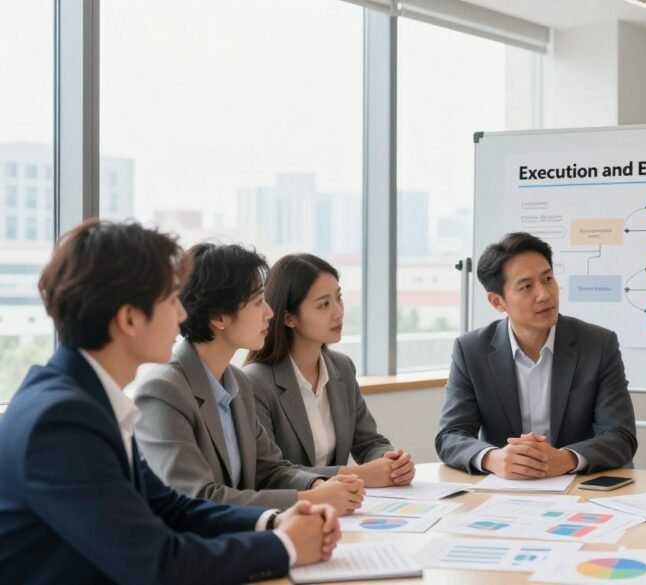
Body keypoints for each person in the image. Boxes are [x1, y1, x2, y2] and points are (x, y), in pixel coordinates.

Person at [0, 220, 340, 584]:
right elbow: (156, 564)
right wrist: (284, 546)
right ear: (129, 319)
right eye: (169, 301)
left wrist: (272, 521)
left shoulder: (86, 399)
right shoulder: (63, 421)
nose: (182, 315)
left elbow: (168, 506)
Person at [135, 243, 364, 512]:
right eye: (258, 303)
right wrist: (310, 499)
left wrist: (319, 485)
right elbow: (197, 498)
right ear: (219, 317)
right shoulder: (163, 391)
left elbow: (269, 470)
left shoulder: (237, 383)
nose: (269, 312)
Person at [435, 231, 637, 478]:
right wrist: (492, 458)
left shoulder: (598, 344)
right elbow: (450, 435)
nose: (545, 294)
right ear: (497, 302)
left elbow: (620, 436)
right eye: (526, 286)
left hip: (583, 485)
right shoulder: (471, 350)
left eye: (548, 279)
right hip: (508, 490)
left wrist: (566, 459)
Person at [244, 253, 414, 487]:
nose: (338, 312)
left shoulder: (341, 367)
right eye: (324, 304)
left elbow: (369, 442)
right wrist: (359, 474)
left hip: (343, 505)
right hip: (294, 510)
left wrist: (391, 462)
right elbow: (271, 473)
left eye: (338, 298)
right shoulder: (255, 382)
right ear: (289, 318)